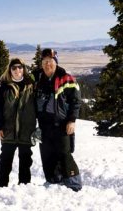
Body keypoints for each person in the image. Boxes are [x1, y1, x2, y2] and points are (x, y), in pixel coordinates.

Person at [33, 48, 83, 192]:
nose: (47, 64)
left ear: (55, 62)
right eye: (44, 61)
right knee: (47, 155)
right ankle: (53, 182)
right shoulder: (37, 78)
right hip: (43, 125)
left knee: (64, 154)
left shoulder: (66, 78)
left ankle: (74, 185)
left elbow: (76, 101)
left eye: (50, 61)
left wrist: (72, 120)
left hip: (61, 124)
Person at [0, 58, 37, 187]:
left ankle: (24, 185)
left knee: (25, 160)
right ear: (10, 70)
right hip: (8, 131)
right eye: (14, 68)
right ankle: (1, 184)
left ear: (23, 69)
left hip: (26, 131)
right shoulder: (3, 88)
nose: (17, 70)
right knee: (5, 160)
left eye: (20, 67)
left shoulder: (31, 86)